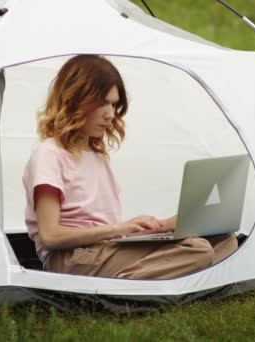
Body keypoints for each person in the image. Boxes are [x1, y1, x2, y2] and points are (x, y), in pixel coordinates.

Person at [22, 54, 237, 279]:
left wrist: (161, 226)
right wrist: (120, 229)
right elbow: (50, 235)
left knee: (224, 241)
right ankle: (125, 288)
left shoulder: (95, 156)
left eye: (114, 105)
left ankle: (154, 278)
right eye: (102, 103)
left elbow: (106, 227)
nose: (111, 114)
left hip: (105, 248)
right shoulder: (50, 155)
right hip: (70, 258)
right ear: (75, 100)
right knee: (198, 250)